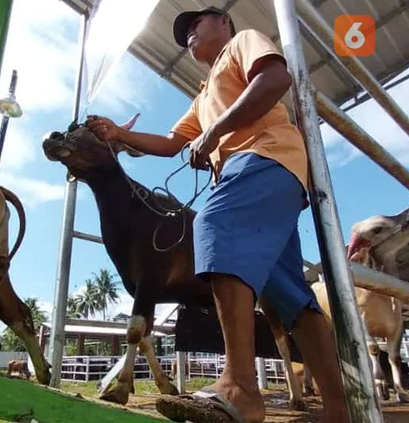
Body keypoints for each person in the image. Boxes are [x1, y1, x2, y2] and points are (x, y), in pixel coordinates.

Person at [87, 7, 350, 423]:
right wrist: (119, 134)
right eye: (184, 32)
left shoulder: (241, 44)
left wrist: (213, 134)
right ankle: (340, 408)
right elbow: (172, 142)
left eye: (196, 24)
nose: (189, 34)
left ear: (224, 22)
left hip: (263, 157)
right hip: (270, 178)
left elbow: (275, 79)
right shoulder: (203, 95)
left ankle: (241, 387)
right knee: (286, 294)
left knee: (212, 223)